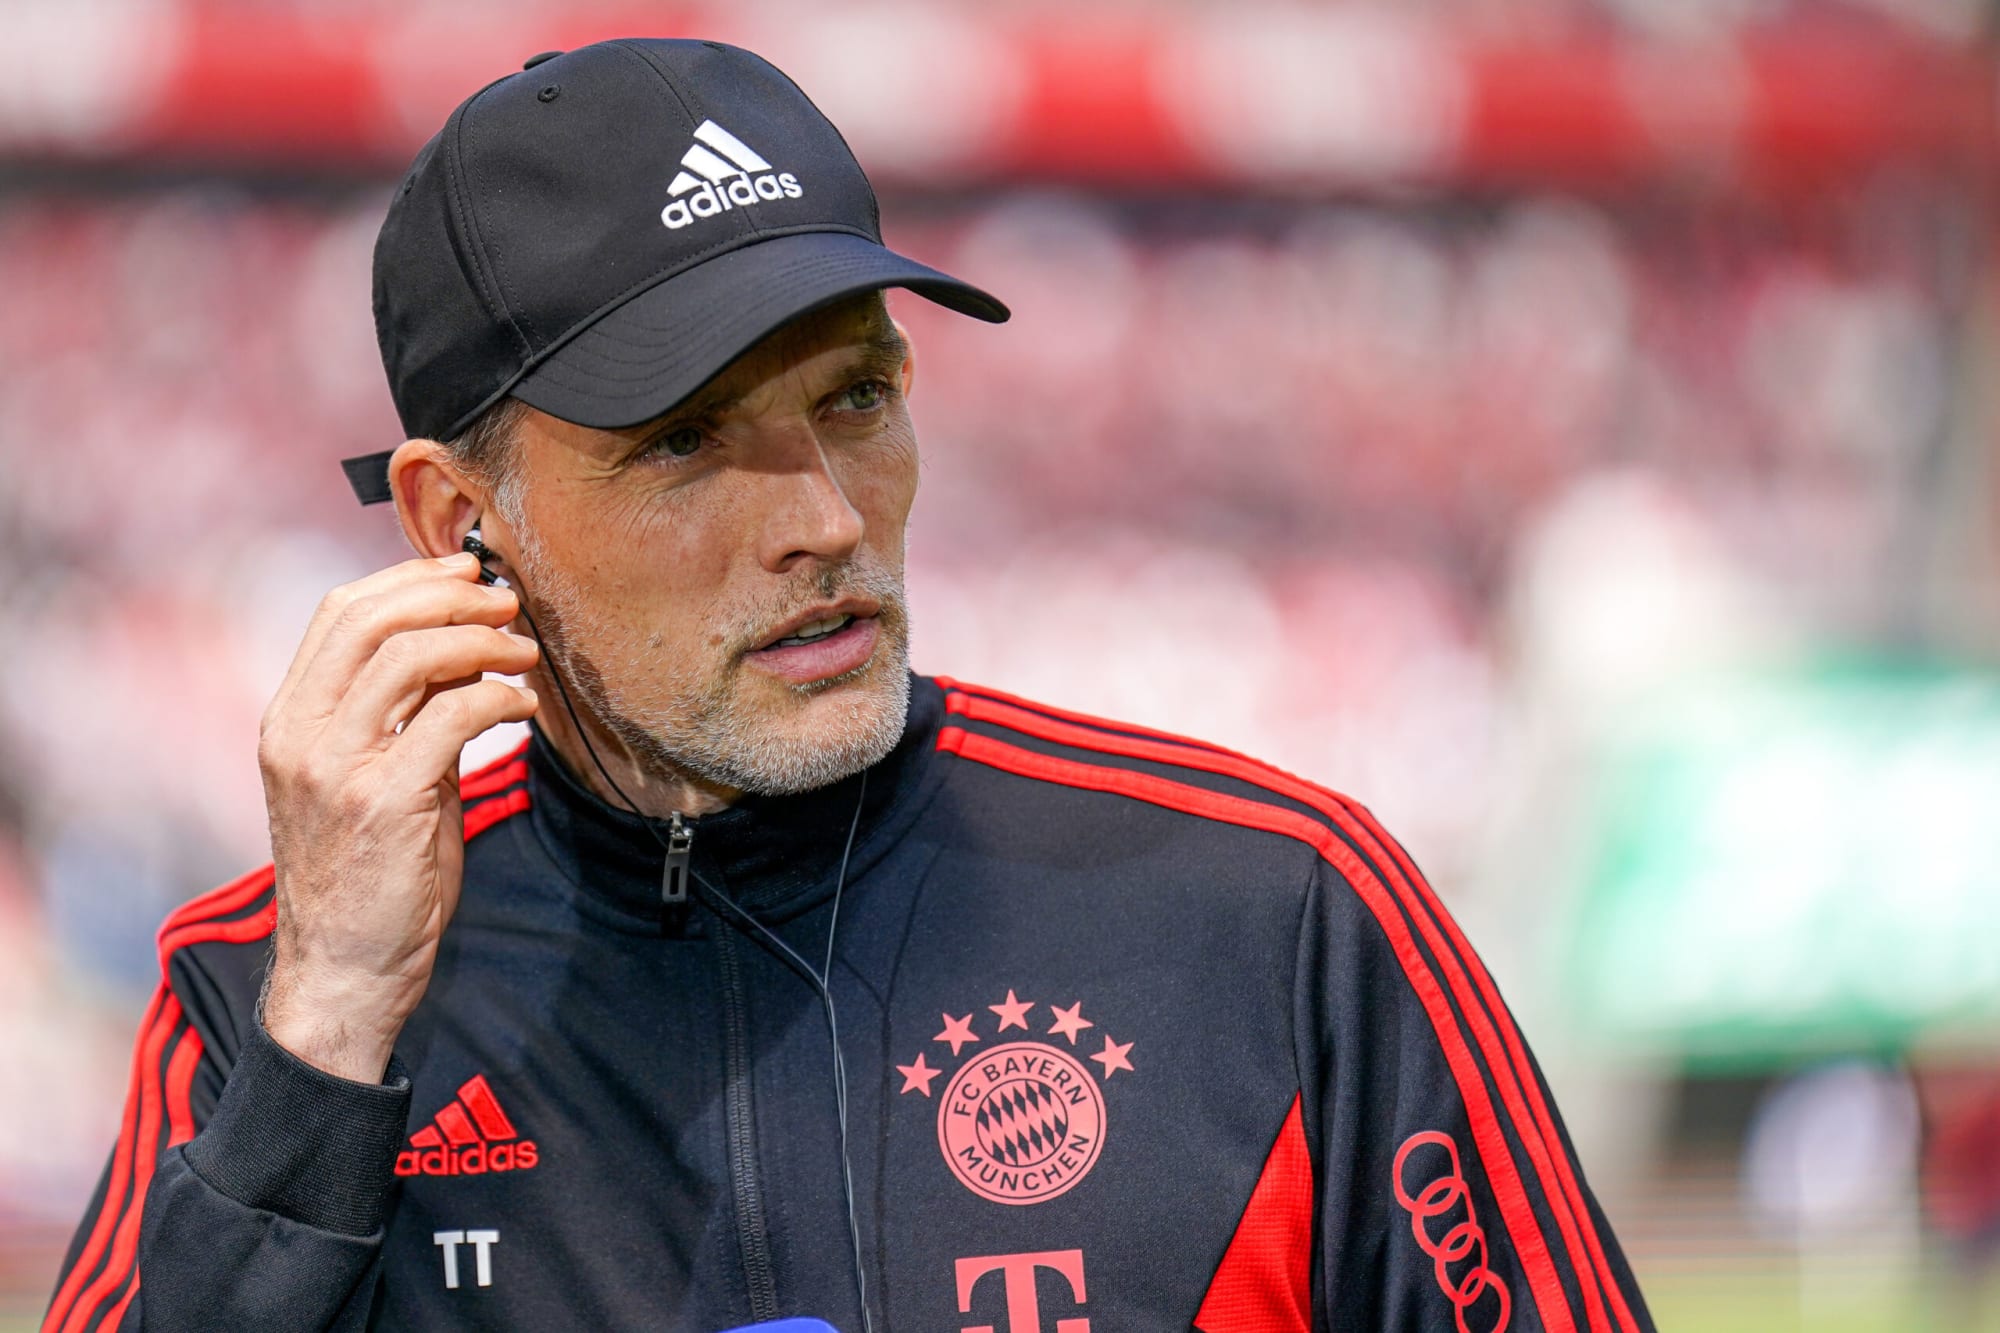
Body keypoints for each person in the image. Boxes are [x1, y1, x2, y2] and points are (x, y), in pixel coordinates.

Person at [44, 37, 1655, 1333]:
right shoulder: (257, 1005)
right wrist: (327, 1037)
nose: (823, 518)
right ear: (458, 523)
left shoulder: (1282, 913)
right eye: (685, 441)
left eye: (859, 397)